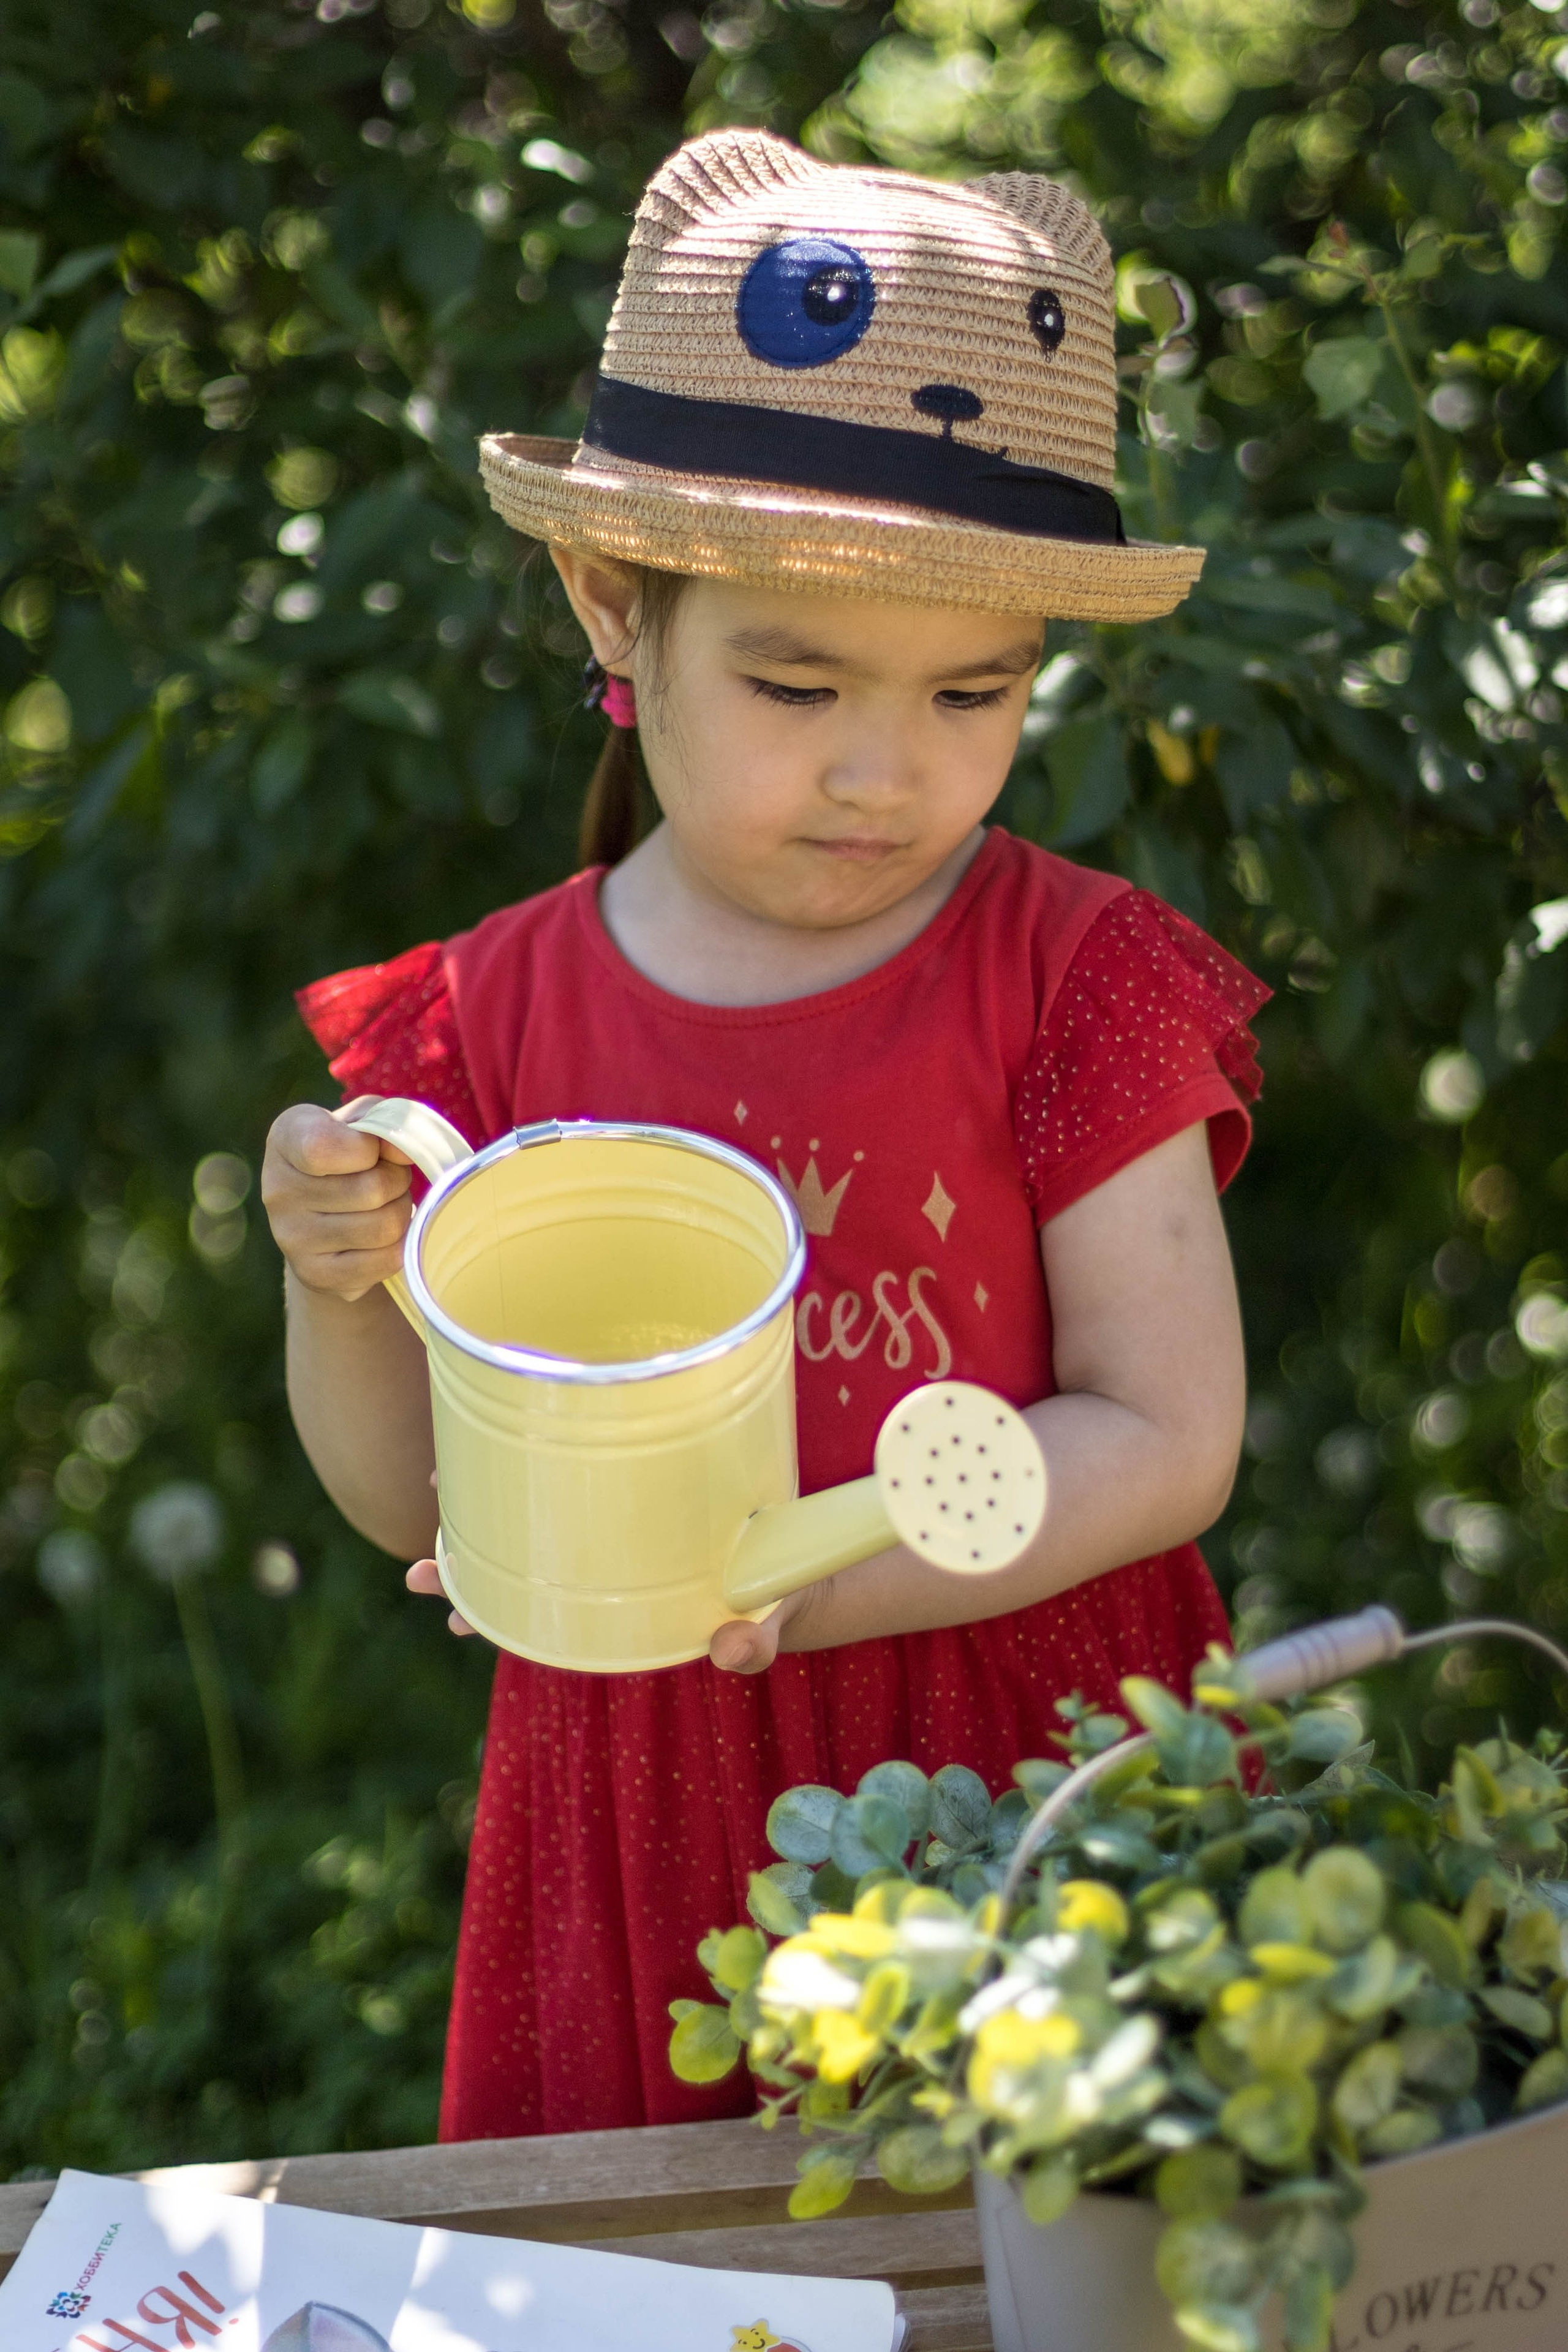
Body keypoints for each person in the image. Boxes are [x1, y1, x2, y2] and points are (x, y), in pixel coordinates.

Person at [260, 129, 1268, 2146]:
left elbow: (1167, 1434)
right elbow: (414, 1511)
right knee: (674, 2253)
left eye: (975, 695)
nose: (887, 772)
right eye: (798, 682)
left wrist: (814, 1580)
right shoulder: (492, 1022)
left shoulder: (1072, 979)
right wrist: (340, 1277)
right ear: (616, 606)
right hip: (650, 1803)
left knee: (1059, 2258)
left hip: (1032, 1763)